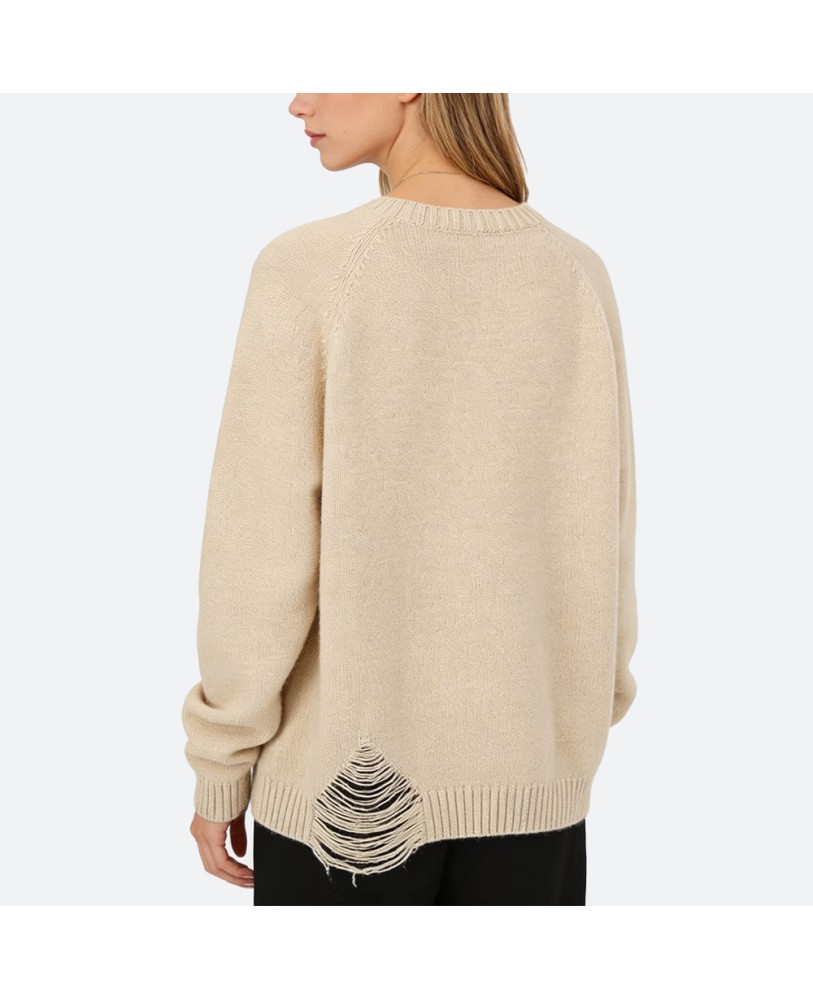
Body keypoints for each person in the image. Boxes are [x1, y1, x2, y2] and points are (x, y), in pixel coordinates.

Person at [181, 93, 638, 906]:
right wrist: (577, 715)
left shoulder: (311, 267)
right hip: (535, 782)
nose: (298, 101)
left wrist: (221, 761)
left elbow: (260, 552)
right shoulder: (574, 270)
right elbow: (606, 525)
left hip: (346, 803)